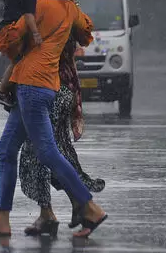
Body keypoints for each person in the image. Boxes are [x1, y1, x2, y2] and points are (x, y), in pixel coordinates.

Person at [0, 0, 107, 239]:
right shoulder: (69, 8)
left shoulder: (39, 5)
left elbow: (7, 42)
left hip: (31, 87)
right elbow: (86, 33)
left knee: (47, 153)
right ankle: (1, 220)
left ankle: (90, 206)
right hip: (45, 85)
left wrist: (14, 16)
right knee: (7, 150)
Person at [19, 34, 105, 236]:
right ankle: (64, 208)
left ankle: (85, 207)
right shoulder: (68, 12)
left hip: (50, 88)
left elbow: (22, 50)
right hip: (65, 87)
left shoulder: (45, 16)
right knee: (53, 152)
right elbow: (83, 36)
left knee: (40, 153)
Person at [0, 0, 42, 108]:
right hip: (15, 33)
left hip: (4, 33)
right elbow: (28, 16)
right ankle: (3, 90)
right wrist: (36, 33)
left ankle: (5, 90)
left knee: (16, 62)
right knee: (21, 61)